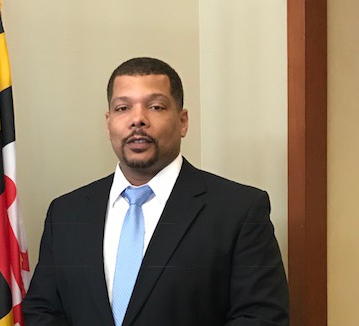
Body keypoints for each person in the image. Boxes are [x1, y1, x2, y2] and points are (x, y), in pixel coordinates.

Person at [22, 57, 289, 326]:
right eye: (123, 107)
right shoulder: (67, 212)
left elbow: (261, 317)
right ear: (108, 122)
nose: (138, 119)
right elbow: (42, 310)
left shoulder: (238, 210)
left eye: (156, 106)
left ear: (183, 121)